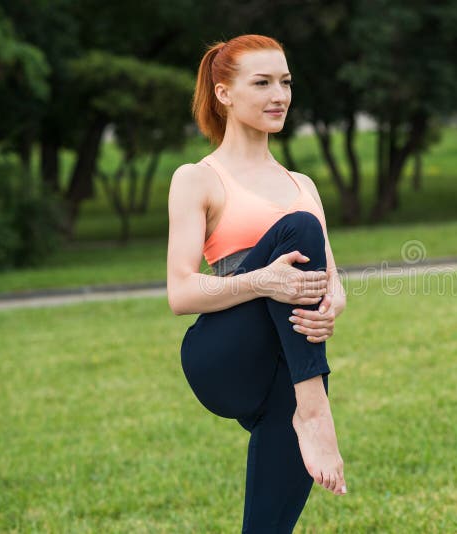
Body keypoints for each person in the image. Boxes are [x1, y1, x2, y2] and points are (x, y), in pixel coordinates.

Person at [166, 34, 347, 532]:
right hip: (221, 355)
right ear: (224, 93)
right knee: (300, 228)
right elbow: (180, 292)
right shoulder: (197, 178)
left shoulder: (302, 184)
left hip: (287, 366)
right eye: (262, 83)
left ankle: (306, 411)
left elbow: (332, 282)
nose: (279, 95)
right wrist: (264, 280)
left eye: (285, 82)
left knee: (269, 524)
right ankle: (315, 413)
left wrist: (331, 305)